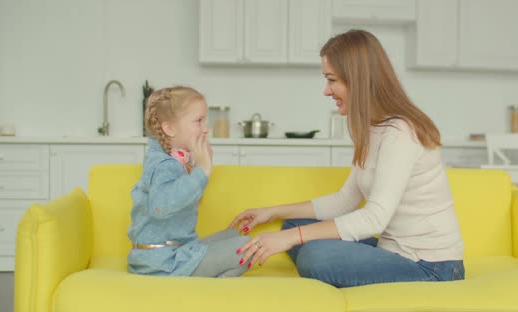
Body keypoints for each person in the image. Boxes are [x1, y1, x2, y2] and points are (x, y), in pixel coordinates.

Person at [229, 30, 465, 288]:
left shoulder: (401, 133)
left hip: (430, 267)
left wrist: (290, 238)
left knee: (315, 255)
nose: (326, 91)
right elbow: (344, 201)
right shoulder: (373, 128)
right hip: (391, 251)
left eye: (332, 80)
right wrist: (271, 212)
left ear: (358, 80)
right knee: (294, 223)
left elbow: (375, 218)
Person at [127, 86, 251, 278]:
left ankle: (202, 281)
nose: (205, 129)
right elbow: (161, 207)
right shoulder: (163, 164)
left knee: (235, 236)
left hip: (177, 251)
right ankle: (204, 291)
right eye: (198, 121)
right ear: (169, 129)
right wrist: (202, 171)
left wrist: (197, 167)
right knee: (247, 247)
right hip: (163, 262)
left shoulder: (176, 158)